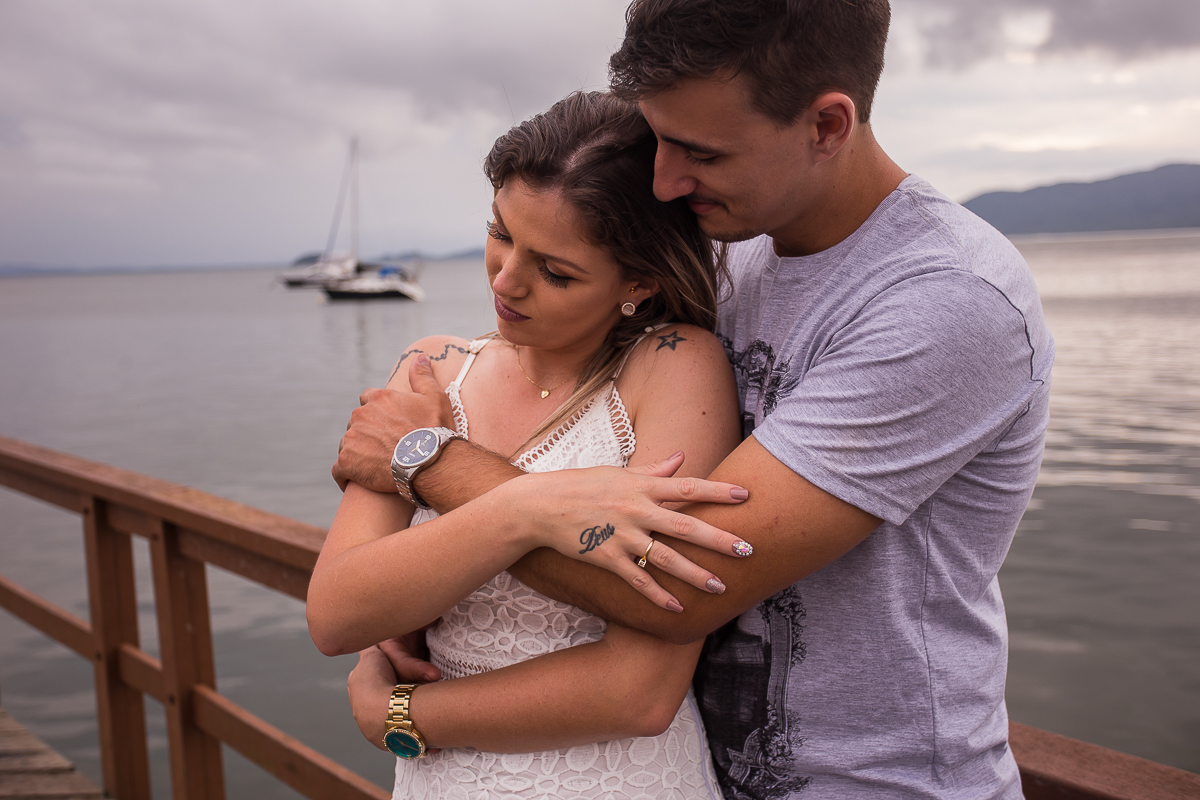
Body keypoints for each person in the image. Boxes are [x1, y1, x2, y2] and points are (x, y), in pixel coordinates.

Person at [333, 1, 1054, 797]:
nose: (665, 181)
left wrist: (426, 464)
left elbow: (676, 584)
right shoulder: (726, 250)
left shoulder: (947, 302)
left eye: (701, 152)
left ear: (827, 125)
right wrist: (416, 599)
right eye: (660, 136)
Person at [307, 90, 756, 799]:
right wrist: (528, 511)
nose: (506, 279)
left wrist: (400, 714)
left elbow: (638, 690)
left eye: (555, 271)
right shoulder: (431, 370)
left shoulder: (674, 367)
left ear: (638, 281)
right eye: (501, 233)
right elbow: (336, 614)